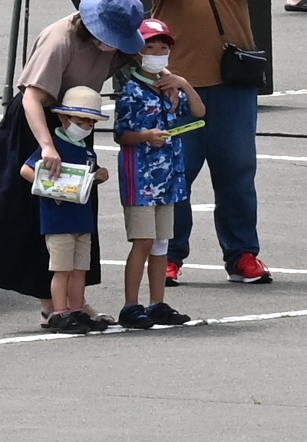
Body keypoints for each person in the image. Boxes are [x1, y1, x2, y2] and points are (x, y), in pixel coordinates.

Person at [135, 0, 274, 287]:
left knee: (237, 171)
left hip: (231, 79)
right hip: (175, 81)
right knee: (176, 173)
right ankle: (171, 255)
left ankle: (242, 253)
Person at [111, 24, 201, 331]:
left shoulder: (170, 87)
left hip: (169, 175)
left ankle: (157, 302)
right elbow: (121, 134)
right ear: (138, 53)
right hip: (141, 174)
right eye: (151, 48)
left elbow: (200, 112)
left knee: (162, 240)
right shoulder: (131, 92)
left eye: (163, 48)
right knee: (143, 240)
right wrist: (147, 135)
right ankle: (130, 304)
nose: (159, 54)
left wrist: (183, 83)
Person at [29, 79, 109, 335]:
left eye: (90, 123)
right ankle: (60, 312)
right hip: (59, 219)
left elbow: (88, 176)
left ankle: (76, 310)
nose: (85, 126)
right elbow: (27, 170)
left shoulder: (87, 150)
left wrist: (99, 175)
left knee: (80, 269)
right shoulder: (54, 146)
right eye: (80, 120)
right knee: (62, 269)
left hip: (81, 218)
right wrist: (53, 191)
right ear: (64, 118)